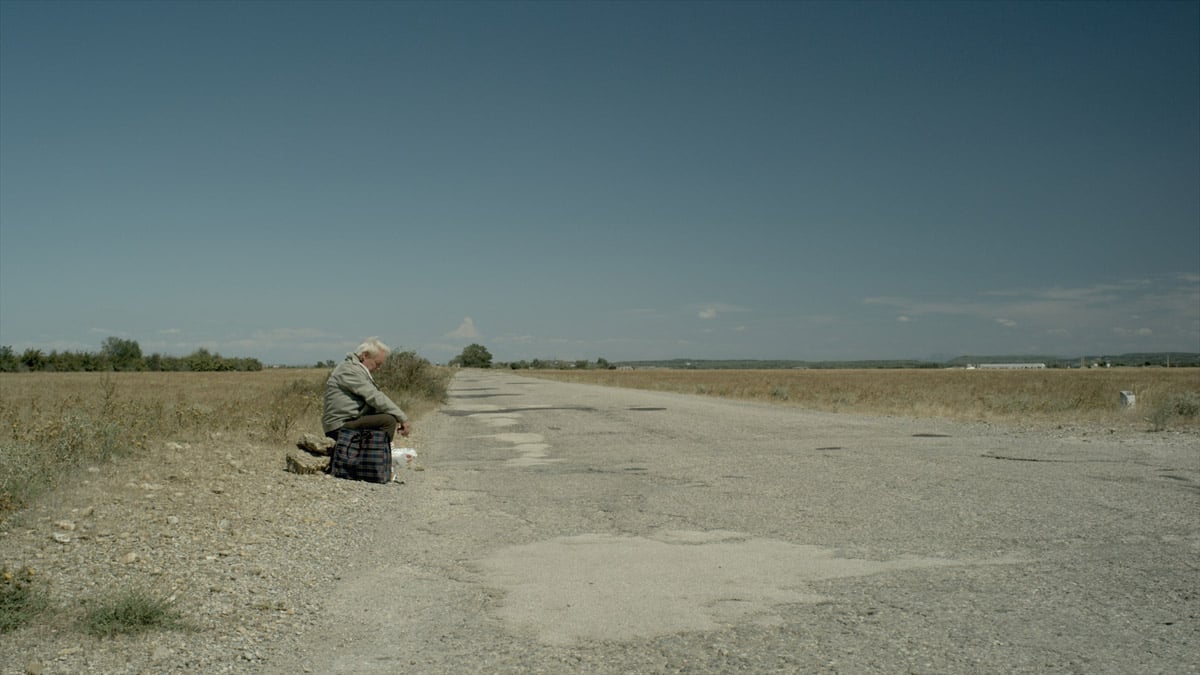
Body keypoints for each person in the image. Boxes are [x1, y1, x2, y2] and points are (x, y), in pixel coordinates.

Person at [322, 337, 412, 442]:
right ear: (365, 356)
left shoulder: (354, 368)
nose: (378, 368)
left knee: (382, 416)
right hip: (339, 426)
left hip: (347, 421)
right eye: (377, 363)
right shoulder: (349, 371)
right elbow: (374, 396)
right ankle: (378, 455)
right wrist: (403, 418)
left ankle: (372, 451)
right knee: (388, 421)